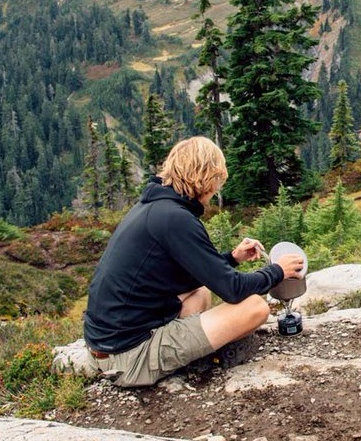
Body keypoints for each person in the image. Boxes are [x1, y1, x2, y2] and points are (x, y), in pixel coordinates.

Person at [82, 136, 305, 387]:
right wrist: (277, 270)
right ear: (206, 179)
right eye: (217, 181)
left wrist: (231, 258)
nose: (216, 189)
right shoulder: (177, 218)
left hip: (106, 348)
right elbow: (232, 290)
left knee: (199, 293)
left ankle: (190, 348)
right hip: (131, 357)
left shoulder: (153, 207)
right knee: (255, 308)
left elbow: (189, 275)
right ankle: (203, 359)